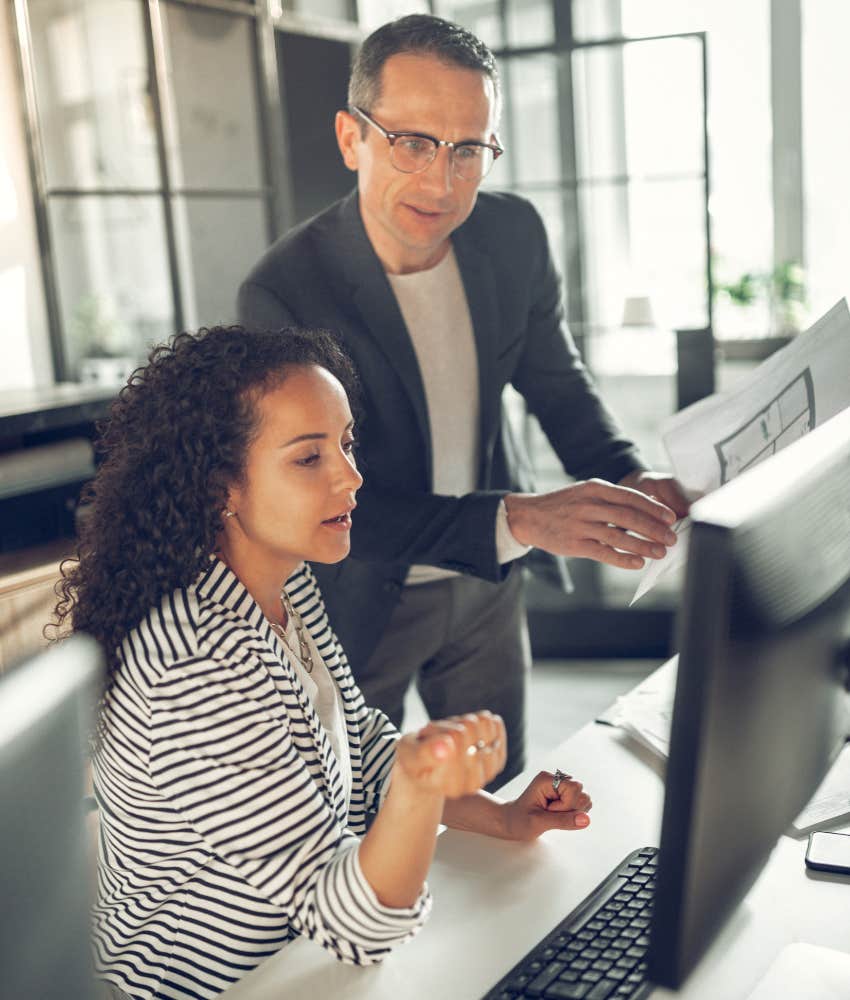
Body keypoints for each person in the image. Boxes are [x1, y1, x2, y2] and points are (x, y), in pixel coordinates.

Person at [54, 326, 593, 1000]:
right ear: (222, 484)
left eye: (345, 443)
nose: (352, 476)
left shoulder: (284, 585)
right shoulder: (194, 669)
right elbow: (357, 927)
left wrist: (502, 815)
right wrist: (422, 793)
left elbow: (361, 753)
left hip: (300, 966)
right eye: (309, 458)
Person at [238, 14, 690, 787]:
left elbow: (558, 384)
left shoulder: (513, 236)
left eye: (469, 150)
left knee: (498, 799)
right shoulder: (283, 291)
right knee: (350, 809)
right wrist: (521, 518)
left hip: (484, 587)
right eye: (412, 142)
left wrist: (627, 476)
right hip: (355, 592)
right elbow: (320, 497)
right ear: (352, 138)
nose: (442, 182)